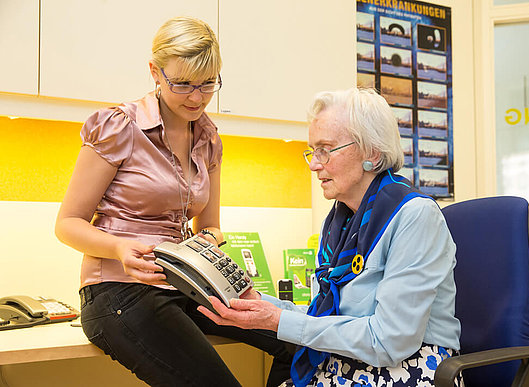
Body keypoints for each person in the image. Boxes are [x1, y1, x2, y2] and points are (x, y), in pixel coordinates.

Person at [55, 16, 292, 387]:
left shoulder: (209, 138)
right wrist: (120, 248)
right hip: (118, 292)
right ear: (155, 71)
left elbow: (209, 227)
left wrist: (207, 252)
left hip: (185, 285)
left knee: (300, 346)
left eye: (207, 84)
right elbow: (67, 223)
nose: (197, 97)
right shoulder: (118, 126)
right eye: (182, 84)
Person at [199, 87, 462, 387]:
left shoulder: (415, 216)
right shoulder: (340, 221)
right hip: (349, 366)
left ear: (372, 153)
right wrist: (261, 304)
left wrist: (277, 320)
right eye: (312, 150)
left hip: (407, 370)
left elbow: (389, 341)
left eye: (326, 149)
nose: (313, 163)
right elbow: (322, 317)